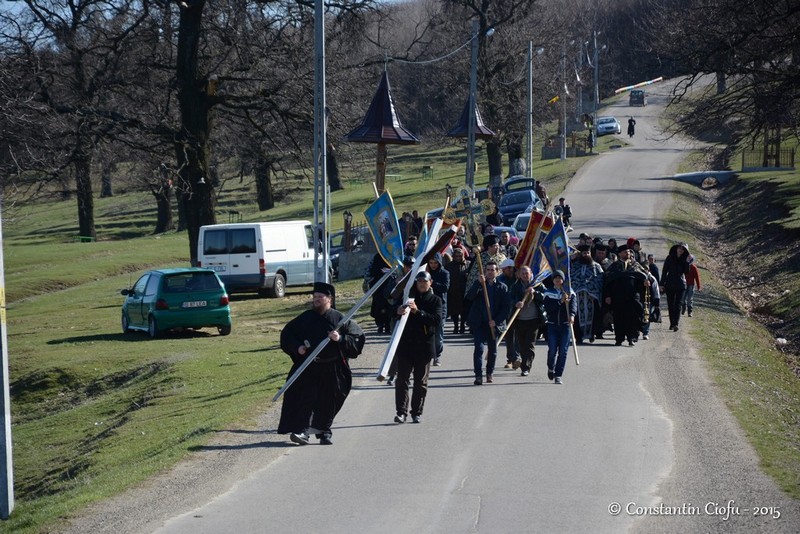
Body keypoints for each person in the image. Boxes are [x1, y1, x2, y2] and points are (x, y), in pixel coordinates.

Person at [278, 282, 365, 446]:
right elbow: (287, 334)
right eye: (315, 297)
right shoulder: (305, 317)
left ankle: (324, 432)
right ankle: (302, 431)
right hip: (309, 366)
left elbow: (357, 339)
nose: (316, 300)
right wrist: (298, 348)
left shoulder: (340, 319)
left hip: (333, 368)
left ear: (329, 300)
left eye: (320, 297)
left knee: (328, 401)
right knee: (305, 399)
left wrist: (340, 339)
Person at [393, 271, 442, 424]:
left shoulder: (435, 300)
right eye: (419, 281)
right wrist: (397, 311)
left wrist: (417, 312)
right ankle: (401, 412)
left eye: (425, 281)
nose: (422, 283)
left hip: (424, 348)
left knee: (420, 382)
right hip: (405, 347)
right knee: (402, 381)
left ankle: (416, 412)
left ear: (430, 283)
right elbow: (390, 312)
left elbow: (436, 321)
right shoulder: (407, 298)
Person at [466, 261, 511, 385]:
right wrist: (477, 284)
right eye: (488, 270)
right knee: (479, 349)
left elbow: (506, 307)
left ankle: (489, 372)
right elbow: (469, 297)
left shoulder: (502, 287)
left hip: (493, 324)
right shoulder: (480, 284)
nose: (490, 272)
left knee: (492, 350)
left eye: (493, 270)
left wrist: (496, 321)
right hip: (479, 323)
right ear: (485, 271)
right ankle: (478, 375)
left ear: (497, 272)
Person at [604, 244, 648, 346]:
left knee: (633, 317)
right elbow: (607, 282)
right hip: (618, 297)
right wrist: (608, 296)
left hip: (633, 297)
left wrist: (646, 282)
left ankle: (631, 337)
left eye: (628, 252)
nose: (627, 253)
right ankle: (619, 338)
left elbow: (645, 276)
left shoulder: (635, 265)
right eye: (625, 252)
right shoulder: (614, 266)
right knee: (619, 318)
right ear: (620, 254)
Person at [508, 265, 545, 377]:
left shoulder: (538, 284)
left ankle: (526, 367)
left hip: (534, 319)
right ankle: (524, 362)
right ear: (519, 274)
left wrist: (535, 293)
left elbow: (544, 297)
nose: (525, 275)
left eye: (527, 273)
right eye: (522, 273)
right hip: (520, 319)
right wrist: (516, 303)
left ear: (530, 274)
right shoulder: (516, 286)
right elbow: (509, 299)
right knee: (522, 344)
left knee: (530, 344)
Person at [542, 271, 576, 384]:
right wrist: (560, 301)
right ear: (552, 280)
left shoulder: (569, 292)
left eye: (559, 278)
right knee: (552, 350)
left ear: (563, 280)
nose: (557, 280)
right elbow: (548, 308)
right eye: (555, 278)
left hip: (565, 326)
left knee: (563, 351)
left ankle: (558, 375)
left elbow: (573, 305)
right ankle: (550, 367)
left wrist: (572, 315)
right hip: (552, 325)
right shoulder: (548, 292)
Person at [570, 244, 604, 343]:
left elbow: (600, 278)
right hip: (577, 295)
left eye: (588, 253)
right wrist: (579, 285)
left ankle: (591, 334)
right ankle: (579, 336)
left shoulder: (596, 265)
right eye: (584, 253)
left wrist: (590, 285)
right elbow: (571, 277)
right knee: (577, 317)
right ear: (580, 254)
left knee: (593, 316)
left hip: (591, 296)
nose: (586, 255)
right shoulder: (574, 265)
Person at [661, 243, 692, 331]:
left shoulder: (685, 259)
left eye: (682, 249)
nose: (680, 250)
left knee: (678, 305)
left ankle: (676, 324)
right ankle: (672, 323)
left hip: (680, 284)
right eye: (679, 248)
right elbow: (664, 271)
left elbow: (687, 272)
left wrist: (688, 262)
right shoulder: (669, 258)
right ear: (676, 248)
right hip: (670, 284)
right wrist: (661, 284)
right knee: (671, 305)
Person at [426, 253, 450, 366]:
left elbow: (445, 287)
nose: (433, 265)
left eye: (435, 263)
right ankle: (427, 355)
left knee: (438, 333)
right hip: (427, 306)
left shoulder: (445, 273)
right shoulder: (426, 272)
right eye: (431, 263)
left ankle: (437, 356)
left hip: (440, 306)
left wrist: (432, 283)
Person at [498, 258, 519, 369]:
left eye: (505, 269)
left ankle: (518, 357)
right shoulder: (500, 279)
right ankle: (511, 359)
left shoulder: (518, 279)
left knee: (519, 336)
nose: (503, 271)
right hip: (506, 311)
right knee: (509, 336)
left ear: (511, 269)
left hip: (518, 310)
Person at [367, 253, 392, 334]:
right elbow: (372, 270)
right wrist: (380, 270)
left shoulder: (391, 255)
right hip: (378, 287)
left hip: (389, 285)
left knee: (389, 306)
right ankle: (380, 325)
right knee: (379, 306)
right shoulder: (378, 256)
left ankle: (388, 326)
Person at [445, 248, 469, 334]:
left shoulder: (468, 264)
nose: (458, 257)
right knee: (454, 311)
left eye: (460, 256)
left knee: (463, 311)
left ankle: (462, 325)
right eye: (457, 256)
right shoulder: (449, 266)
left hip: (464, 291)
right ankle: (456, 326)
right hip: (453, 291)